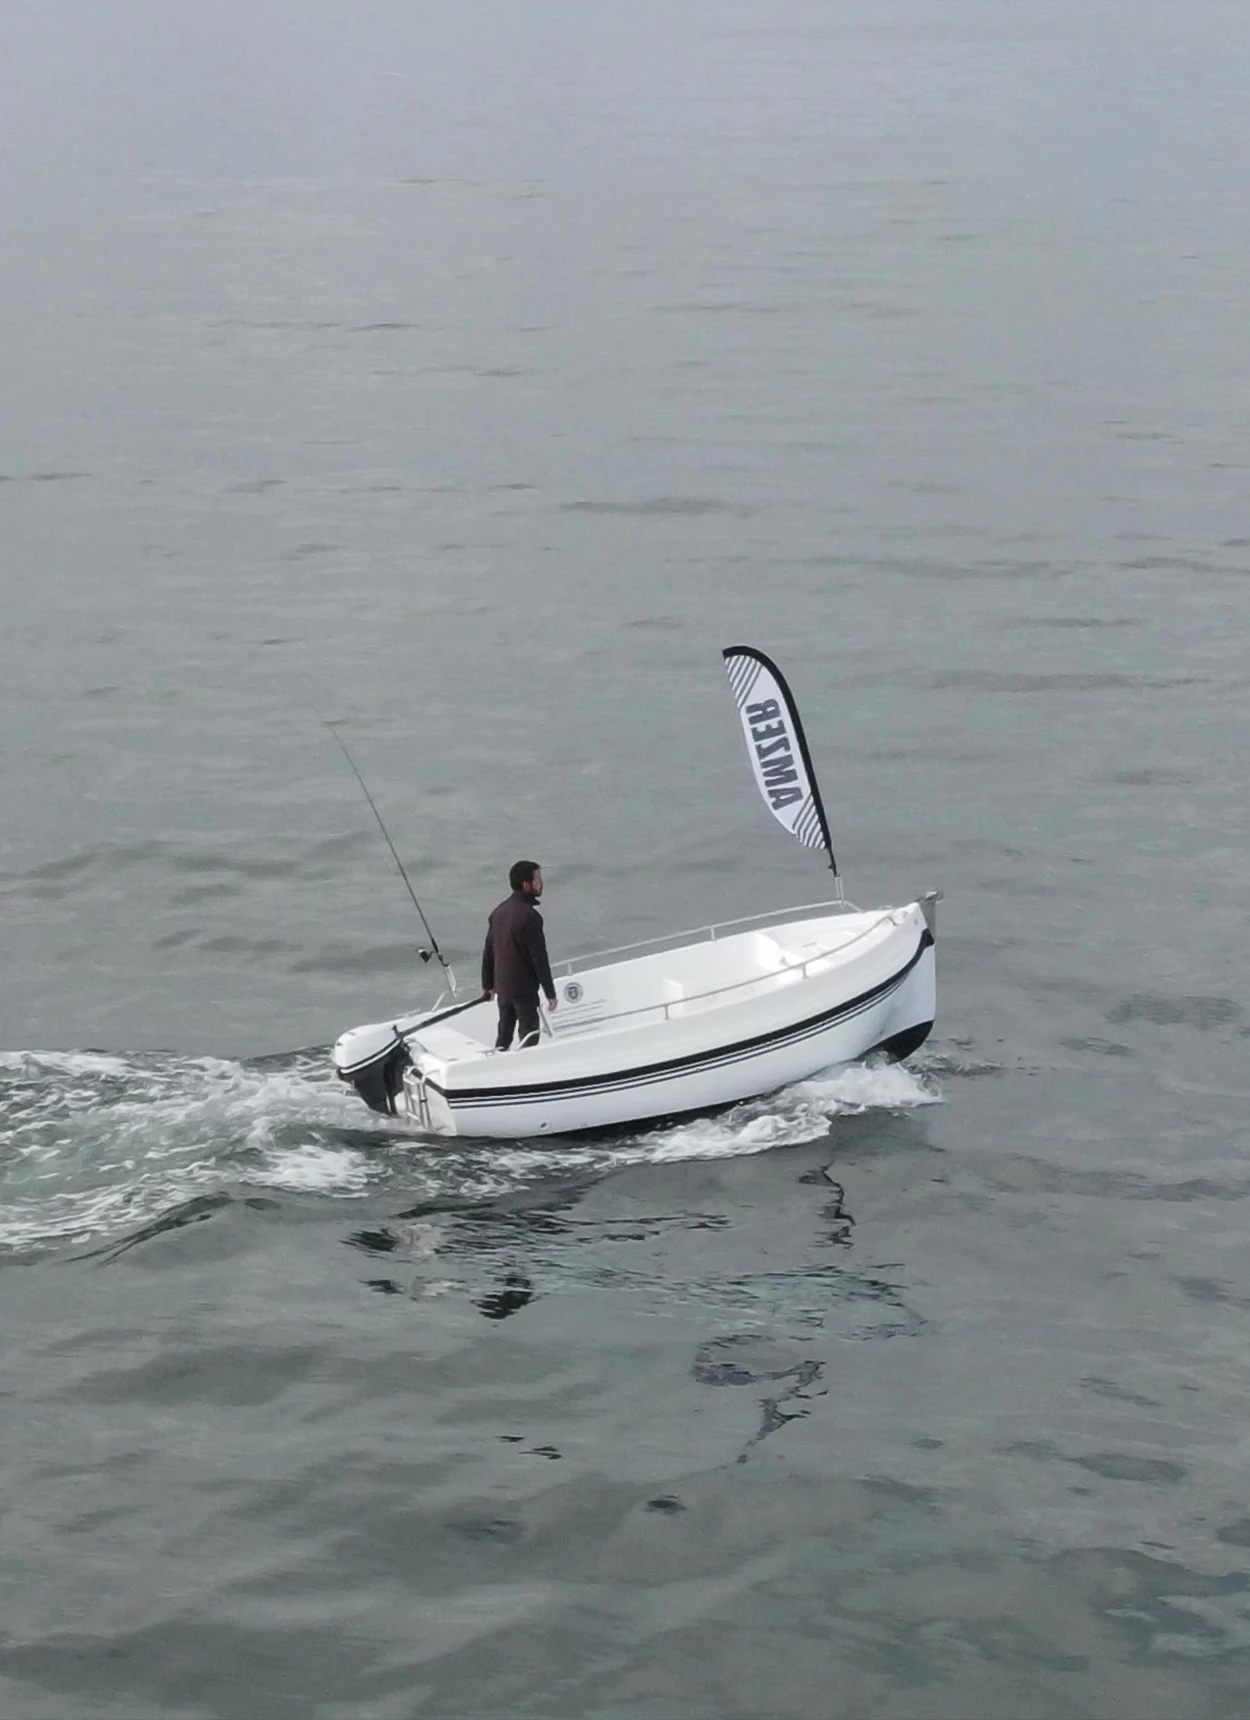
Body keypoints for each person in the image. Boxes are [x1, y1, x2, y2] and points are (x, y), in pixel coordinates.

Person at [481, 860, 558, 1050]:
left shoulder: (498, 913)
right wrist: (550, 993)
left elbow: (489, 952)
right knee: (530, 1035)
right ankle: (525, 1074)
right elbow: (539, 958)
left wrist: (488, 985)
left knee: (504, 1036)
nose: (541, 884)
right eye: (538, 879)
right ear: (526, 885)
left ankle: (497, 1068)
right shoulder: (530, 917)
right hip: (523, 990)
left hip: (503, 988)